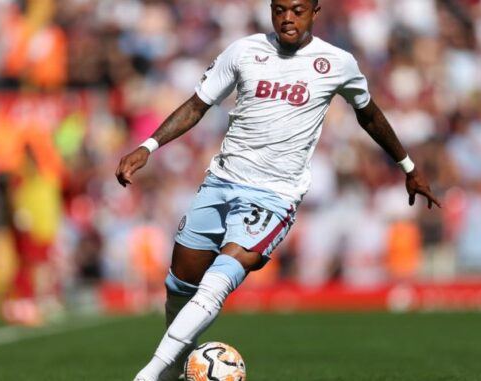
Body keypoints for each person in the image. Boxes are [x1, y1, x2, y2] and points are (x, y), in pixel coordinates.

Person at [115, 0, 441, 379]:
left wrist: (408, 167)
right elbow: (197, 105)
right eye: (280, 9)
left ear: (315, 12)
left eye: (298, 10)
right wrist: (148, 146)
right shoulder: (243, 51)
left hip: (273, 196)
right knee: (180, 285)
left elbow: (369, 114)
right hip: (220, 183)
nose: (288, 18)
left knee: (218, 283)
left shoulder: (337, 63)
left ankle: (150, 374)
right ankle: (174, 368)